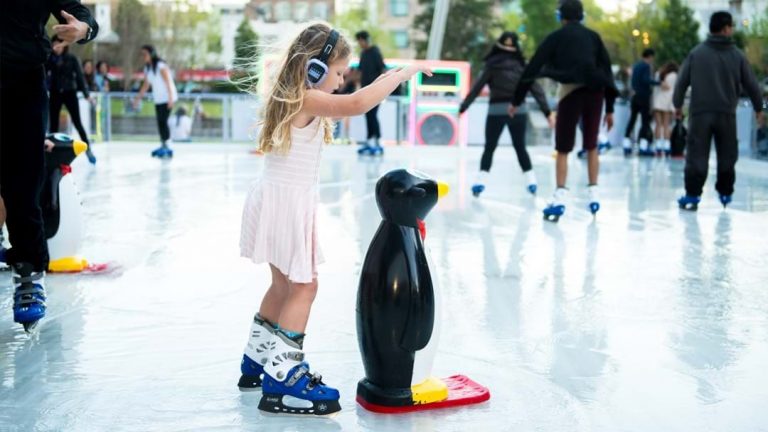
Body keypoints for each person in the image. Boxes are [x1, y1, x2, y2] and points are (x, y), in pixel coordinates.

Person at [237, 23, 430, 416]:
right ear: (314, 68)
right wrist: (402, 74)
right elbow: (359, 104)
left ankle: (256, 361)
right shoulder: (307, 98)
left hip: (273, 198)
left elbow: (352, 98)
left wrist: (390, 73)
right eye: (339, 73)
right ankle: (282, 378)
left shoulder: (289, 95)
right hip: (288, 204)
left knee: (282, 285)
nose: (342, 82)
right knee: (304, 288)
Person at [1, 0, 98, 332]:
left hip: (22, 86)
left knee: (23, 183)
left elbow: (82, 15)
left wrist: (83, 30)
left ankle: (27, 272)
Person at [510, 0, 617, 222]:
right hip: (596, 93)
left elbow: (532, 68)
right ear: (582, 16)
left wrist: (517, 99)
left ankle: (559, 197)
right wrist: (611, 108)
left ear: (561, 17)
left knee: (563, 147)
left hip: (570, 92)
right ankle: (593, 193)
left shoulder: (555, 38)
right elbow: (606, 70)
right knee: (591, 144)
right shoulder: (593, 37)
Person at [674, 11, 764, 210]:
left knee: (697, 154)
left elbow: (681, 82)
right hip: (726, 114)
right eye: (731, 27)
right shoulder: (737, 55)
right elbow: (752, 84)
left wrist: (678, 105)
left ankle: (692, 195)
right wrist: (759, 108)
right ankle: (725, 191)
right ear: (725, 29)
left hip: (700, 114)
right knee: (727, 154)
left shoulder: (697, 53)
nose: (732, 30)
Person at [459, 31, 554, 197]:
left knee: (490, 147)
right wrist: (547, 112)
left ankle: (480, 181)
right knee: (520, 147)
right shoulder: (522, 66)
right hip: (518, 110)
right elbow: (536, 90)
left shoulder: (492, 65)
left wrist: (464, 106)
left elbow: (477, 88)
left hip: (496, 110)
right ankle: (531, 181)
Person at [47, 36, 96, 164]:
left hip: (70, 92)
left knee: (77, 122)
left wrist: (86, 95)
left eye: (58, 45)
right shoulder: (49, 59)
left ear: (64, 45)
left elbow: (80, 78)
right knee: (53, 125)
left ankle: (88, 149)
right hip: (55, 93)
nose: (56, 48)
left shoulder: (72, 59)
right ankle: (53, 153)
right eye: (54, 45)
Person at [133, 45, 178, 158]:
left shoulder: (161, 66)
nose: (143, 57)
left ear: (151, 54)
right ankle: (163, 144)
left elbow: (168, 82)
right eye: (142, 54)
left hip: (167, 98)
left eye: (145, 54)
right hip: (158, 99)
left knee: (163, 121)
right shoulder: (148, 69)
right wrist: (138, 98)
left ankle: (168, 145)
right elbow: (146, 85)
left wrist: (171, 98)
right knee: (159, 122)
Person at [355, 30, 387, 155]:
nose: (359, 44)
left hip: (376, 90)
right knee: (368, 114)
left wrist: (383, 87)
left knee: (373, 115)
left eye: (360, 41)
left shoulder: (375, 52)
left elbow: (383, 69)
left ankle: (377, 141)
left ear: (364, 40)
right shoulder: (363, 53)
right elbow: (360, 71)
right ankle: (370, 140)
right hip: (365, 90)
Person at [623, 48, 658, 156]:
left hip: (635, 96)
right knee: (645, 121)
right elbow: (646, 79)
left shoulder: (636, 66)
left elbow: (633, 80)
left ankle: (626, 143)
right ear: (650, 56)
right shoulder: (646, 66)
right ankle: (643, 146)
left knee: (632, 119)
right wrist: (658, 83)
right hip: (644, 96)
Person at [652, 62, 678, 156]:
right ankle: (667, 146)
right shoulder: (674, 76)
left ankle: (658, 146)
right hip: (668, 103)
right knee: (666, 125)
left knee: (658, 124)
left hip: (658, 101)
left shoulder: (659, 74)